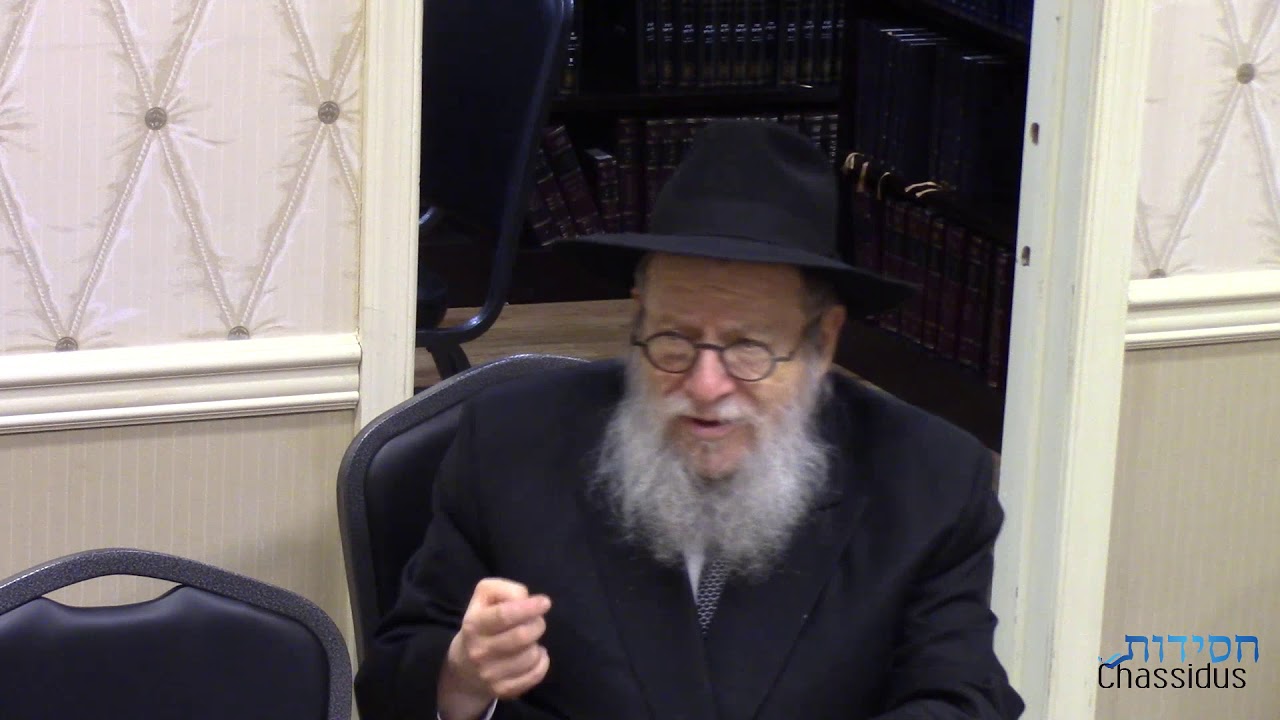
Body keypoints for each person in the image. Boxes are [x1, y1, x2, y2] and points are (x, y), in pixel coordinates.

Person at [354, 120, 1025, 720]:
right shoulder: (510, 443)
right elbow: (393, 680)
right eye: (673, 339)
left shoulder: (929, 481)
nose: (706, 386)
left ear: (822, 342)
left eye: (748, 348)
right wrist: (462, 677)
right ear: (638, 314)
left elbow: (963, 698)